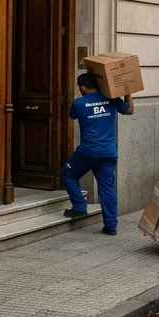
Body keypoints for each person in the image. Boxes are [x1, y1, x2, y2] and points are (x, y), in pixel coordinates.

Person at [63, 73, 134, 235]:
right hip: (109, 152)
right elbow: (129, 110)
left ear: (82, 87)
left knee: (68, 173)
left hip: (88, 151)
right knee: (107, 187)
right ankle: (110, 226)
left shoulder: (78, 103)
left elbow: (72, 116)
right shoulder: (112, 99)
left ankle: (80, 207)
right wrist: (127, 93)